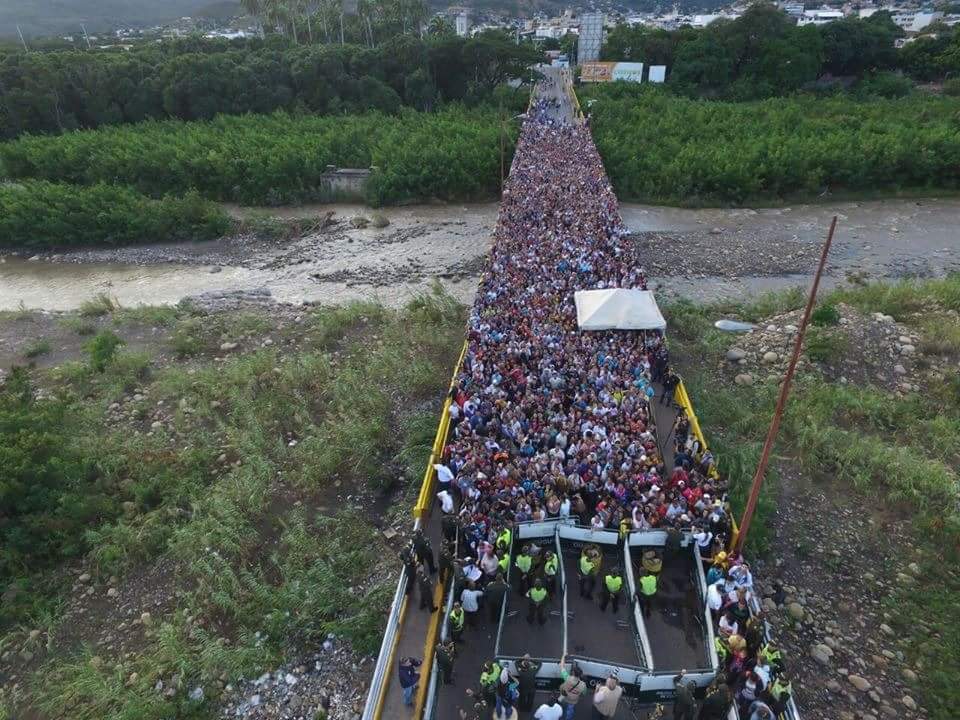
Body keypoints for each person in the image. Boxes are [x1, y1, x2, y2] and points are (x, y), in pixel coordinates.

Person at [558, 655, 586, 720]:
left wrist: (563, 656)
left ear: (573, 673)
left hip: (565, 698)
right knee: (570, 711)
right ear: (580, 675)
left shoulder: (567, 678)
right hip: (573, 701)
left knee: (561, 708)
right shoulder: (583, 685)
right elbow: (584, 693)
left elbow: (562, 666)